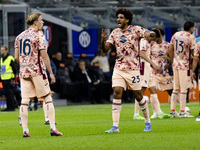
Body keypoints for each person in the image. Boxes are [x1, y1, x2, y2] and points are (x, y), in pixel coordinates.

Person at [101, 8, 160, 133]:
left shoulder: (136, 29)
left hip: (133, 69)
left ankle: (148, 121)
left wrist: (152, 34)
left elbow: (147, 34)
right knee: (117, 92)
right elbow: (106, 49)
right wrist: (102, 40)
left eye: (121, 17)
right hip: (119, 68)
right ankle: (115, 126)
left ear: (127, 19)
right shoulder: (114, 32)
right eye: (118, 17)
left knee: (138, 96)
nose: (118, 19)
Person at [14, 12, 62, 137]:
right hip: (37, 70)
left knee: (24, 101)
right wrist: (51, 73)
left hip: (24, 71)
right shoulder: (39, 35)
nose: (43, 22)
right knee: (47, 98)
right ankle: (52, 128)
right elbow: (44, 55)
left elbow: (16, 57)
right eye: (41, 20)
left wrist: (25, 65)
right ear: (35, 22)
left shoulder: (19, 36)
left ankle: (25, 130)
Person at [133, 28, 171, 120]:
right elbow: (142, 54)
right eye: (152, 37)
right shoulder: (143, 41)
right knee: (141, 90)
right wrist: (153, 64)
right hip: (143, 66)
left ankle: (158, 112)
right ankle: (136, 114)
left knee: (153, 89)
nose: (153, 39)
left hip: (147, 67)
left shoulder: (148, 43)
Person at [169, 21, 195, 117]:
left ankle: (172, 111)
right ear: (191, 28)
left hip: (176, 63)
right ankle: (182, 112)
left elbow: (170, 48)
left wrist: (172, 61)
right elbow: (192, 53)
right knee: (183, 89)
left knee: (175, 88)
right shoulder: (190, 37)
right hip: (185, 65)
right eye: (193, 28)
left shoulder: (176, 34)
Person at [0, 45, 16, 111]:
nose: (1, 51)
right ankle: (9, 107)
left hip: (9, 78)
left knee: (9, 93)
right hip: (3, 78)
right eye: (1, 50)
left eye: (2, 50)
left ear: (6, 51)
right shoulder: (1, 59)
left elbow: (14, 68)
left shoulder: (10, 58)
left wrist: (13, 78)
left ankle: (11, 107)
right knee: (6, 93)